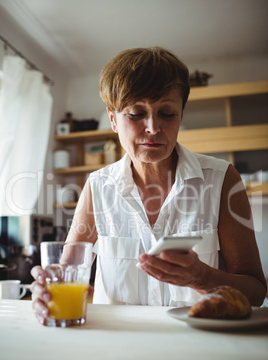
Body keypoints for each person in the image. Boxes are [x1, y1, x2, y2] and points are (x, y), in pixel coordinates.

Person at [31, 47, 267, 324]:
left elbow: (256, 292)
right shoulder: (97, 187)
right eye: (135, 114)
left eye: (167, 113)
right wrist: (45, 294)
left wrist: (200, 276)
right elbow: (67, 275)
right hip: (113, 354)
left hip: (201, 352)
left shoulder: (222, 179)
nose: (153, 127)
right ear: (113, 120)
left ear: (181, 114)